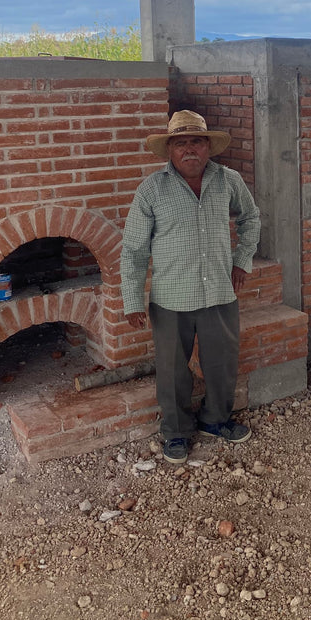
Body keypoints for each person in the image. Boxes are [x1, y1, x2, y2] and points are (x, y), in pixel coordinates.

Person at [121, 109, 261, 465]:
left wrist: (242, 260)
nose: (189, 149)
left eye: (196, 141)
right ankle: (176, 431)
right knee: (171, 371)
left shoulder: (228, 180)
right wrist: (132, 300)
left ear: (208, 146)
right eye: (180, 143)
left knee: (222, 364)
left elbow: (251, 217)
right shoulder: (152, 189)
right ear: (170, 149)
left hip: (219, 291)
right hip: (171, 296)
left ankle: (215, 419)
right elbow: (134, 249)